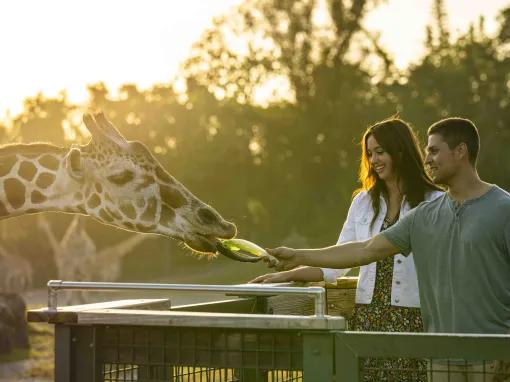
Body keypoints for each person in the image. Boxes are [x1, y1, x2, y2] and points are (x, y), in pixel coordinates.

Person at [265, 118, 510, 381]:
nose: (427, 159)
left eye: (434, 151)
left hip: (484, 346)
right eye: (427, 151)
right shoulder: (424, 215)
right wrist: (297, 258)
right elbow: (364, 250)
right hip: (437, 348)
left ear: (460, 151)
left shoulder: (496, 208)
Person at [252, 117, 443, 381]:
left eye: (380, 151)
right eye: (369, 153)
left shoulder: (436, 202)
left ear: (400, 150)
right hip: (369, 319)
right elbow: (337, 261)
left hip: (417, 319)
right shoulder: (363, 202)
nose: (374, 160)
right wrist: (289, 272)